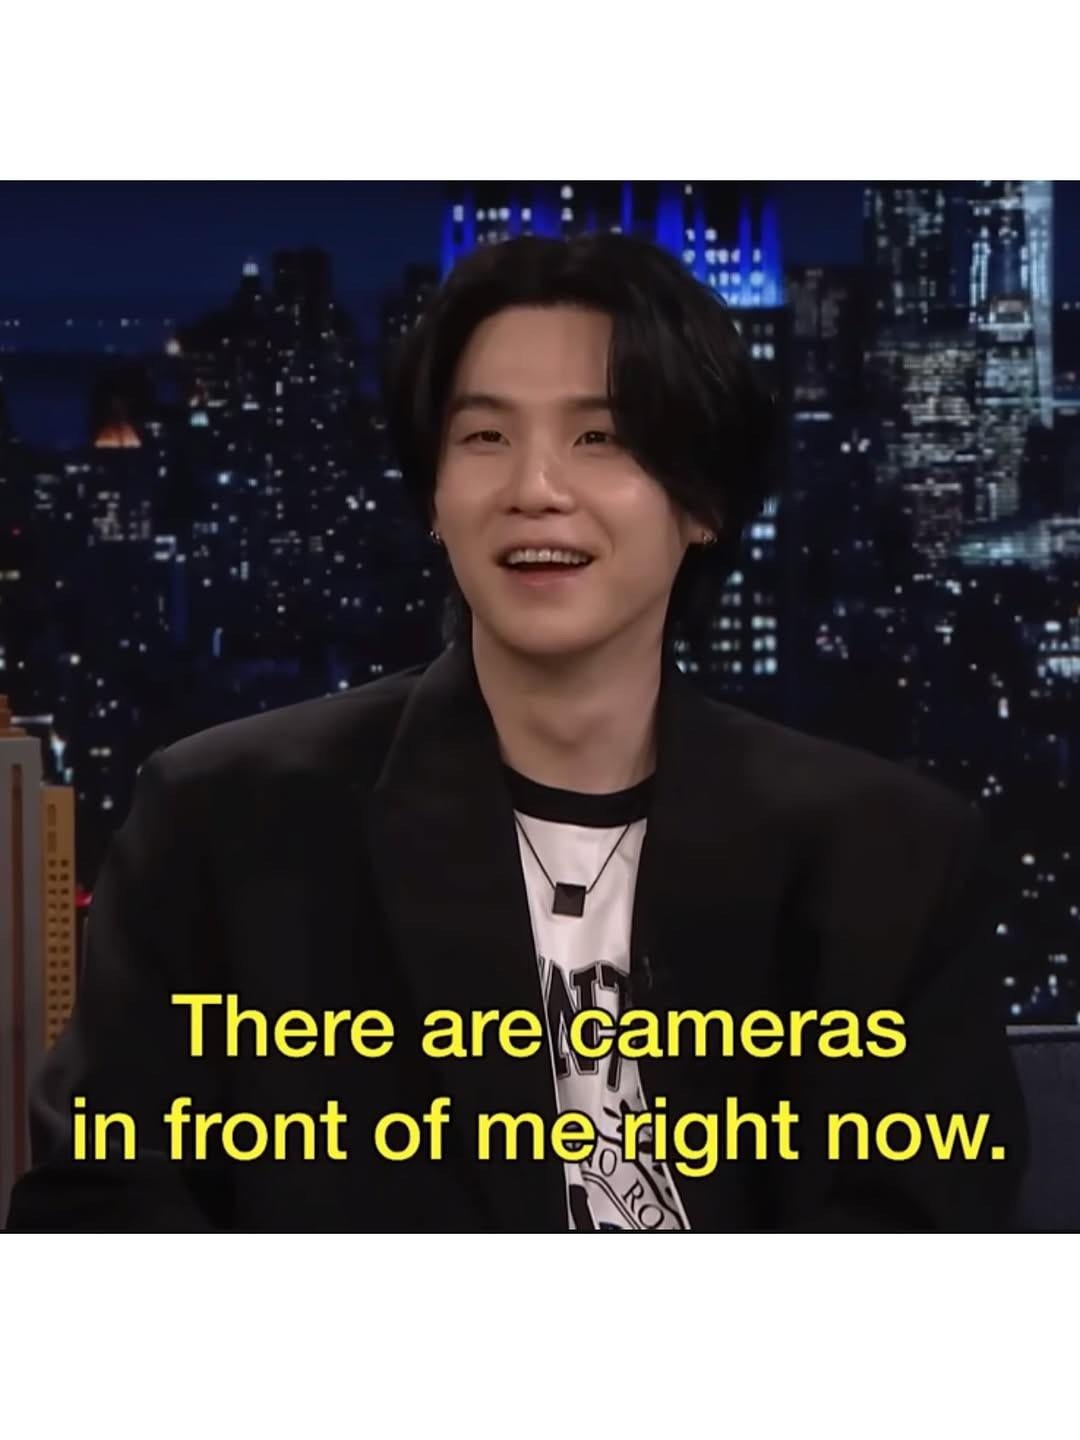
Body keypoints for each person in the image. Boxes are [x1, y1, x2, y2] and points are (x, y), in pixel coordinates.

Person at [6, 232, 1027, 1232]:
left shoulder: (891, 861)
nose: (536, 489)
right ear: (435, 498)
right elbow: (103, 1217)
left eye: (601, 438)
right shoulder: (223, 826)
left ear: (704, 502)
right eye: (486, 438)